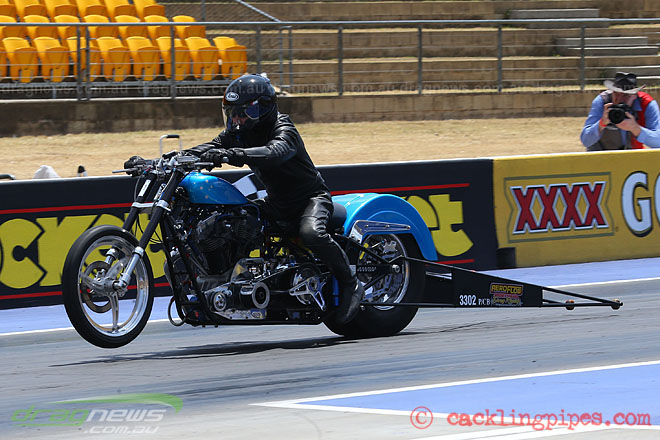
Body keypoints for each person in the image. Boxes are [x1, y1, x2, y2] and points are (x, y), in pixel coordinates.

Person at [127, 73, 363, 325]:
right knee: (235, 221)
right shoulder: (239, 133)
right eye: (232, 113)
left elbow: (275, 151)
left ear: (263, 108)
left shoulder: (283, 127)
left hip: (310, 200)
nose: (236, 119)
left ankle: (351, 283)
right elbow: (211, 146)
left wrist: (233, 154)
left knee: (311, 233)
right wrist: (166, 159)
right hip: (276, 204)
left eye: (243, 112)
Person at [581, 72, 660, 151]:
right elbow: (586, 141)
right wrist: (602, 123)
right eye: (616, 94)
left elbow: (658, 143)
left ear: (635, 95)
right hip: (602, 153)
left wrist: (635, 128)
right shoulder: (602, 101)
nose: (620, 100)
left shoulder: (647, 104)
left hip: (632, 154)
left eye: (626, 95)